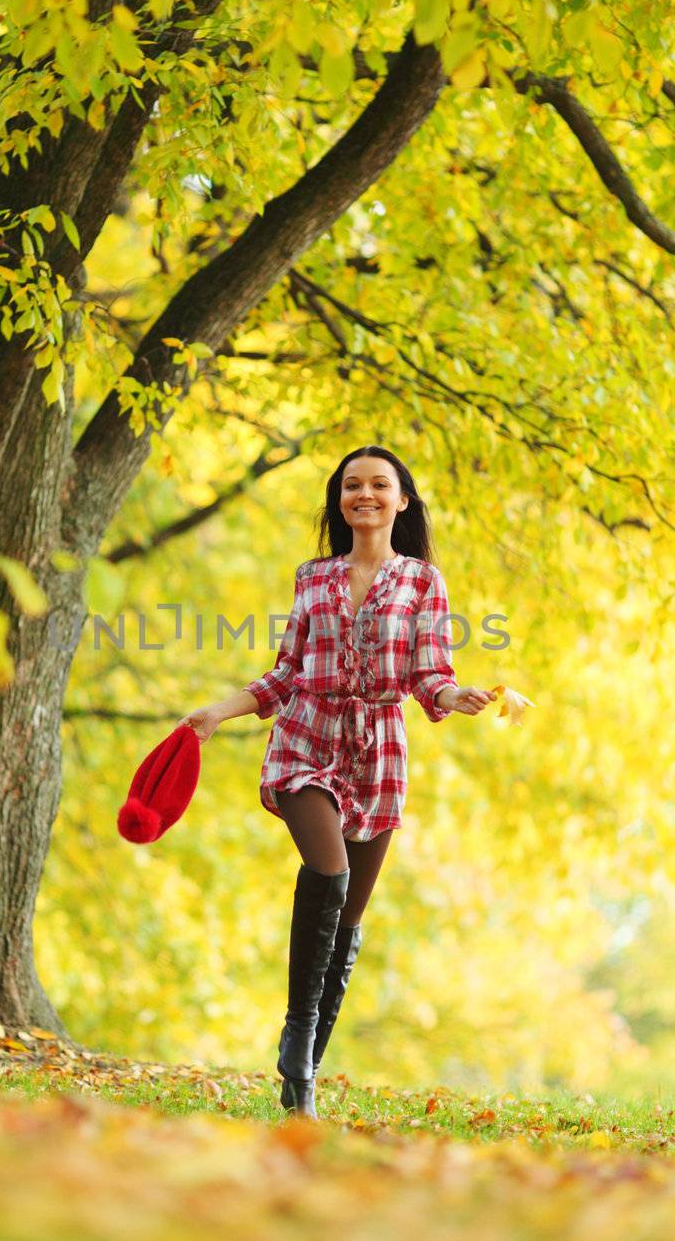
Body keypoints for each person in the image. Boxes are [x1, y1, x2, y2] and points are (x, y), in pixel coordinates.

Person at [180, 447, 496, 1119]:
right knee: (329, 874)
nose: (365, 495)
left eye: (379, 485)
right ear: (339, 501)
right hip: (306, 738)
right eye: (352, 486)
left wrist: (454, 694)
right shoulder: (312, 578)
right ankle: (297, 1035)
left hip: (377, 751)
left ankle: (302, 1082)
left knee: (348, 920)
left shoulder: (422, 583)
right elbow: (285, 672)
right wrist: (219, 710)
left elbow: (426, 673)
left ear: (401, 500)